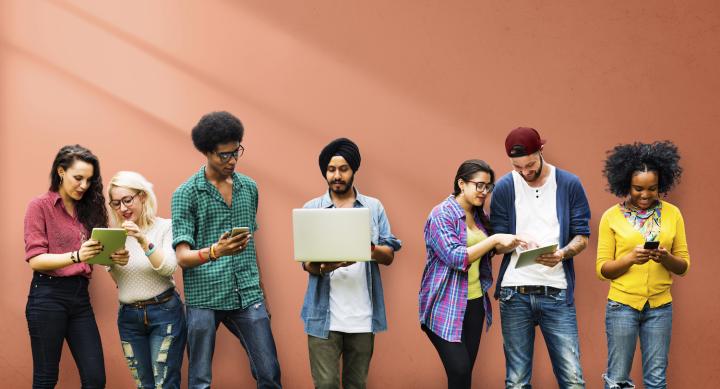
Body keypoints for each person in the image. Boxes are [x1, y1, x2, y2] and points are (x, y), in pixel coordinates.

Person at [171, 111, 281, 388]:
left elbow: (249, 245)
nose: (232, 160)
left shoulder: (249, 188)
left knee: (269, 373)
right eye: (224, 155)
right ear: (207, 152)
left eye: (237, 152)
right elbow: (182, 258)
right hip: (204, 298)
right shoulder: (185, 194)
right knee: (200, 380)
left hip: (247, 293)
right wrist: (216, 251)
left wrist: (262, 294)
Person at [490, 127, 591, 388]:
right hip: (514, 293)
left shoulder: (569, 183)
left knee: (572, 379)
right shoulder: (504, 187)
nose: (525, 172)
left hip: (556, 292)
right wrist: (509, 241)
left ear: (541, 151)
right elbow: (496, 244)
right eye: (517, 166)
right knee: (517, 381)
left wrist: (562, 254)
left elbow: (583, 236)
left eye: (530, 164)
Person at [24, 144, 129, 389]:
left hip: (80, 298)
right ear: (61, 171)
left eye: (89, 180)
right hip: (47, 296)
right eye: (78, 178)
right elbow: (36, 259)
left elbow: (94, 256)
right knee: (46, 378)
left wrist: (114, 257)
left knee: (95, 379)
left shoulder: (89, 210)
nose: (84, 185)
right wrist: (76, 256)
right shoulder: (39, 206)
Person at [300, 138, 401, 389]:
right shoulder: (312, 209)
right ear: (325, 171)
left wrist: (368, 248)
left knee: (357, 384)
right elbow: (307, 264)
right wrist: (325, 267)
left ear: (353, 170)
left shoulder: (373, 207)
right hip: (323, 317)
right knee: (326, 385)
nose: (337, 175)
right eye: (331, 169)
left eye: (343, 169)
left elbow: (388, 255)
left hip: (363, 316)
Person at [419, 159, 525, 389]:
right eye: (479, 185)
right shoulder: (441, 215)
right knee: (460, 369)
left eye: (488, 187)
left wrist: (515, 243)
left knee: (463, 377)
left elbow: (490, 250)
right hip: (444, 305)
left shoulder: (478, 216)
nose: (484, 192)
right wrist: (495, 239)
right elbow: (456, 257)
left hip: (475, 303)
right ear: (461, 183)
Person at [596, 141, 690, 389]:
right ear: (626, 183)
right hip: (621, 306)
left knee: (657, 380)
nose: (645, 195)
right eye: (638, 188)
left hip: (661, 307)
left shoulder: (673, 214)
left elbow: (683, 266)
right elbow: (602, 270)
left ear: (662, 185)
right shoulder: (611, 217)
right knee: (617, 379)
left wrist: (666, 258)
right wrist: (629, 260)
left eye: (653, 188)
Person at [107, 171, 186, 388]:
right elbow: (119, 280)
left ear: (142, 196)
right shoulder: (114, 236)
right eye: (116, 203)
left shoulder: (165, 227)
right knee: (144, 385)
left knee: (165, 384)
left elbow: (169, 268)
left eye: (127, 200)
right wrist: (114, 262)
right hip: (128, 317)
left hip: (165, 313)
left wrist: (142, 240)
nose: (122, 208)